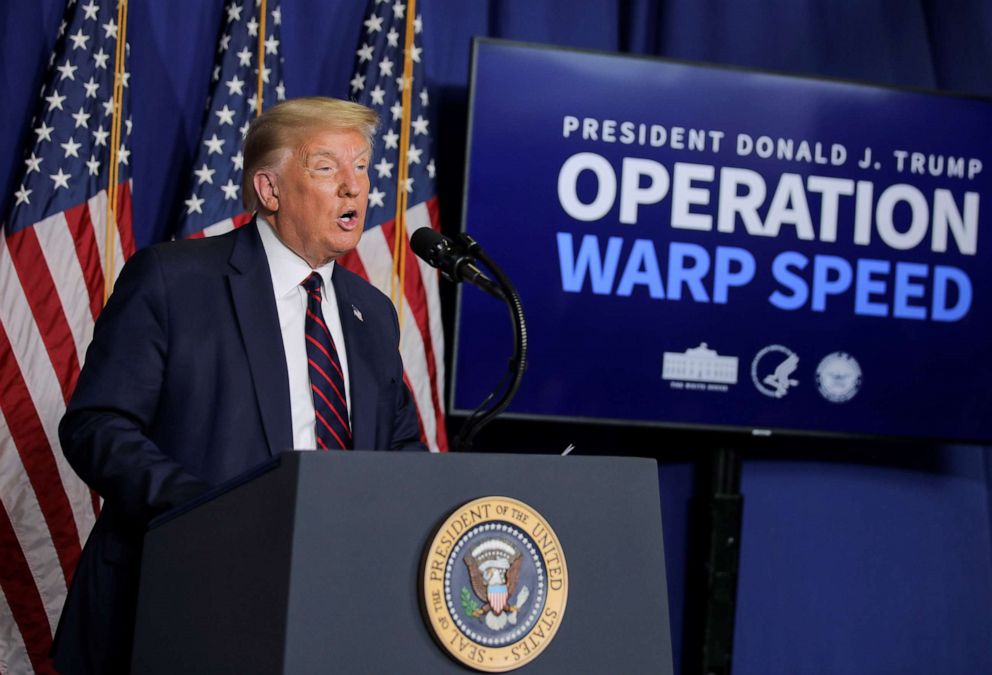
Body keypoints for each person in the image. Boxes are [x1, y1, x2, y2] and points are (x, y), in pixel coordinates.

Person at [51, 97, 425, 674]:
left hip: (328, 609)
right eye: (327, 167)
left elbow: (399, 451)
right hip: (183, 603)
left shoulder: (371, 313)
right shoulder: (175, 280)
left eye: (361, 166)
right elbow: (97, 425)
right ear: (269, 190)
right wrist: (210, 512)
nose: (354, 187)